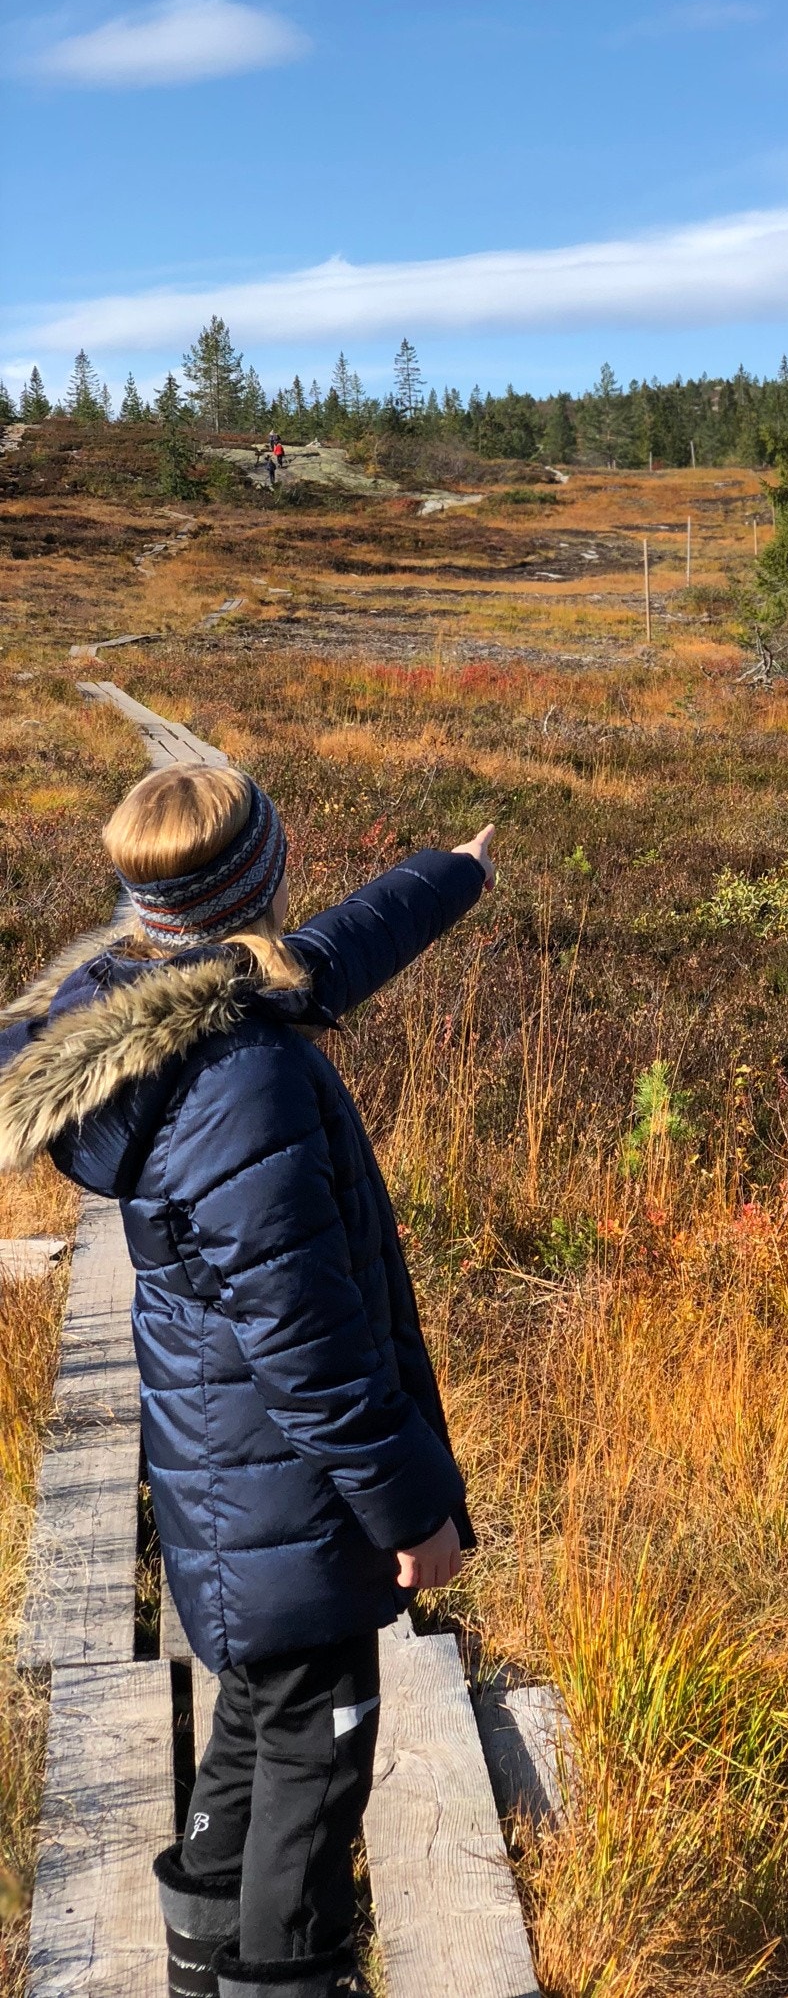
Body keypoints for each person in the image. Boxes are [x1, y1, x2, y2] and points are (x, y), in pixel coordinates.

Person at [0, 766, 496, 1998]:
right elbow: (310, 1345)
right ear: (265, 877)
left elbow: (319, 956)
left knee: (264, 1712)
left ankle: (197, 1962)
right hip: (287, 1482)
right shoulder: (242, 1081)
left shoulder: (144, 1010)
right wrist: (411, 1511)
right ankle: (283, 1978)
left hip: (232, 1474)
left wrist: (449, 875)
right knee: (317, 1759)